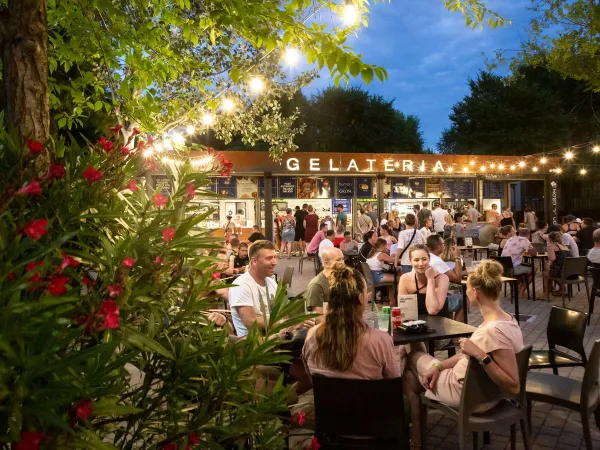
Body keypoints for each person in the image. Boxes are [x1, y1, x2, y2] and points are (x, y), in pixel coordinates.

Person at [403, 260, 524, 447]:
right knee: (412, 377)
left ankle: (413, 436)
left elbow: (514, 385)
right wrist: (438, 365)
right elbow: (470, 355)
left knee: (410, 356)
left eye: (467, 289)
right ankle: (417, 439)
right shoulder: (506, 319)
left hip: (468, 394)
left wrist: (481, 356)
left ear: (475, 292)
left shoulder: (494, 331)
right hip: (480, 390)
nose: (466, 293)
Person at [302, 262, 400, 379]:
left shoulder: (312, 336)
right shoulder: (379, 341)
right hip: (370, 397)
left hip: (327, 397)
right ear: (361, 298)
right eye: (366, 292)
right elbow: (394, 381)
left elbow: (310, 375)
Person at [228, 240, 278, 336]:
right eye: (269, 258)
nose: (274, 262)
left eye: (275, 257)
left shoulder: (272, 283)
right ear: (254, 261)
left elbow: (281, 312)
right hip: (255, 346)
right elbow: (250, 322)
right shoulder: (241, 285)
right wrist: (282, 323)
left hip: (275, 337)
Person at [397, 244, 450, 316]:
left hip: (440, 324)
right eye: (416, 260)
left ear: (429, 259)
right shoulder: (405, 279)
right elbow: (405, 312)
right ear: (410, 261)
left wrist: (430, 279)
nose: (421, 264)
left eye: (424, 259)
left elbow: (432, 310)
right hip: (416, 324)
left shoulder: (442, 278)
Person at [305, 247, 345, 322]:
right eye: (338, 260)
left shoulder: (341, 280)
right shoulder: (316, 285)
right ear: (326, 263)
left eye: (343, 259)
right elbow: (319, 319)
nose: (343, 263)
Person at [502, 228, 537, 297]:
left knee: (522, 266)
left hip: (503, 268)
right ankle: (521, 292)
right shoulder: (525, 240)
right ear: (528, 235)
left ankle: (518, 289)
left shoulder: (510, 239)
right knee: (534, 269)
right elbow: (534, 254)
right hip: (513, 268)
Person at [366, 238, 396, 303]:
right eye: (386, 246)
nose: (387, 247)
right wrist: (400, 259)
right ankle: (397, 298)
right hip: (377, 277)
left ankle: (391, 299)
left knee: (392, 280)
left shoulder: (371, 253)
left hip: (371, 277)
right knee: (398, 278)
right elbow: (393, 260)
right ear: (382, 246)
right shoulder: (381, 254)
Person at [543, 231, 572, 296]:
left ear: (550, 238)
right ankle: (561, 288)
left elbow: (552, 259)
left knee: (545, 273)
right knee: (550, 270)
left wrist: (548, 253)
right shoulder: (564, 246)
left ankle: (546, 294)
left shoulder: (551, 245)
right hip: (569, 272)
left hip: (560, 272)